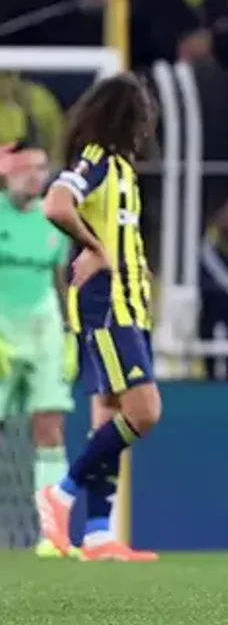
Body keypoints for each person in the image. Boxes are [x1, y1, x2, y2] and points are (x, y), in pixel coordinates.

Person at [34, 74, 161, 562]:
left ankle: (97, 534)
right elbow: (56, 203)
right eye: (142, 115)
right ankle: (61, 493)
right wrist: (94, 248)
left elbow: (115, 233)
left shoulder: (123, 170)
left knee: (110, 416)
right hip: (108, 306)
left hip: (130, 303)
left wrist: (133, 262)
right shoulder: (98, 159)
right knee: (144, 411)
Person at [0, 143, 73, 558]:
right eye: (25, 168)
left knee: (49, 428)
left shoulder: (54, 219)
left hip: (43, 330)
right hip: (2, 329)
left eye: (41, 168)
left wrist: (71, 335)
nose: (35, 176)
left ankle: (53, 534)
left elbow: (62, 282)